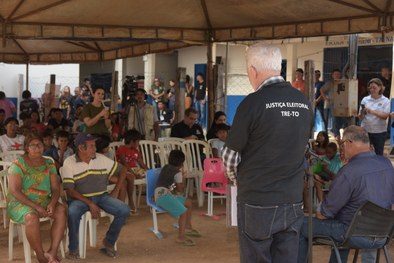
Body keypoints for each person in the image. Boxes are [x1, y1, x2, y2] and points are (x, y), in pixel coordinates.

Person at [222, 44, 313, 263]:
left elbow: (230, 156)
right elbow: (305, 148)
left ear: (252, 70)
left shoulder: (252, 103)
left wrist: (237, 180)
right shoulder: (303, 102)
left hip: (257, 199)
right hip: (292, 199)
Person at [297, 125, 394, 263]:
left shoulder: (349, 171)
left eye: (341, 144)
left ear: (349, 143)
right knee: (345, 220)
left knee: (300, 225)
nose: (341, 148)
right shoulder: (387, 164)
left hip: (353, 234)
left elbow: (323, 214)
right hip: (383, 234)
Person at [62, 133, 130, 259]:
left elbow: (123, 170)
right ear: (81, 149)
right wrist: (90, 203)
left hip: (101, 196)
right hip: (80, 199)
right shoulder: (69, 162)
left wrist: (116, 190)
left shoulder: (101, 158)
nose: (95, 149)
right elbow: (70, 191)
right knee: (72, 212)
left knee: (124, 210)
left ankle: (109, 242)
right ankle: (73, 249)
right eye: (92, 146)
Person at [7, 133, 67, 263]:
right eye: (32, 146)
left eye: (39, 145)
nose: (36, 148)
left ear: (43, 146)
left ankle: (52, 251)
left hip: (43, 200)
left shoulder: (49, 163)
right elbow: (14, 191)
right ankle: (41, 256)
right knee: (31, 217)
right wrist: (36, 207)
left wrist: (52, 202)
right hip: (20, 202)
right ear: (26, 148)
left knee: (61, 210)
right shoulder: (18, 164)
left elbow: (56, 189)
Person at [155, 149, 201, 246]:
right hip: (164, 197)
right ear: (181, 163)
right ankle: (181, 237)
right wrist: (183, 178)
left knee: (188, 202)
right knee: (183, 212)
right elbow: (180, 190)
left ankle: (188, 226)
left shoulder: (165, 167)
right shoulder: (177, 173)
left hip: (161, 195)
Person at [116, 129, 149, 213]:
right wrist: (134, 174)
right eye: (138, 141)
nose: (138, 144)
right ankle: (131, 200)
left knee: (150, 175)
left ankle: (153, 199)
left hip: (134, 170)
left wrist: (149, 171)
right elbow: (125, 164)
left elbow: (142, 164)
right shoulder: (121, 149)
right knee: (131, 178)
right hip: (123, 170)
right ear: (132, 141)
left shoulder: (136, 151)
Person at [358, 78, 390, 155]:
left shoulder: (385, 101)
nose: (372, 89)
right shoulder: (365, 99)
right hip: (366, 130)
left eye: (374, 88)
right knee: (364, 152)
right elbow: (360, 117)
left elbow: (385, 116)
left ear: (380, 88)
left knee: (378, 153)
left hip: (379, 131)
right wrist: (362, 113)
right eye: (370, 88)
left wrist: (372, 112)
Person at [321, 69, 348, 137]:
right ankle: (336, 135)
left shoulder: (343, 82)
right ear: (332, 75)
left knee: (343, 119)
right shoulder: (330, 83)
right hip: (333, 103)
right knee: (335, 119)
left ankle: (344, 134)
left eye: (338, 74)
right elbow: (322, 90)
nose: (337, 75)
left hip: (342, 103)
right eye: (335, 74)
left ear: (340, 75)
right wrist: (325, 98)